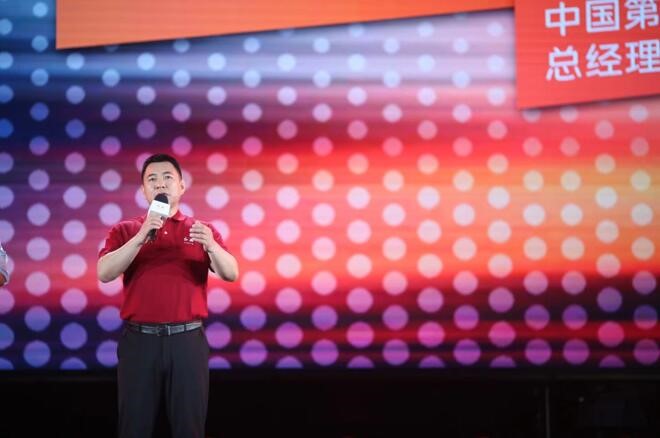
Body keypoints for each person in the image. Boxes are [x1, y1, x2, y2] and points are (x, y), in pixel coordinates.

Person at [97, 153, 238, 438]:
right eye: (152, 179)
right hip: (139, 342)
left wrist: (211, 246)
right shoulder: (125, 230)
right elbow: (105, 272)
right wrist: (141, 236)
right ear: (143, 191)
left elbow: (231, 273)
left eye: (167, 178)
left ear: (182, 186)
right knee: (133, 427)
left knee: (189, 427)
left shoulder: (201, 230)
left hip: (188, 342)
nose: (160, 184)